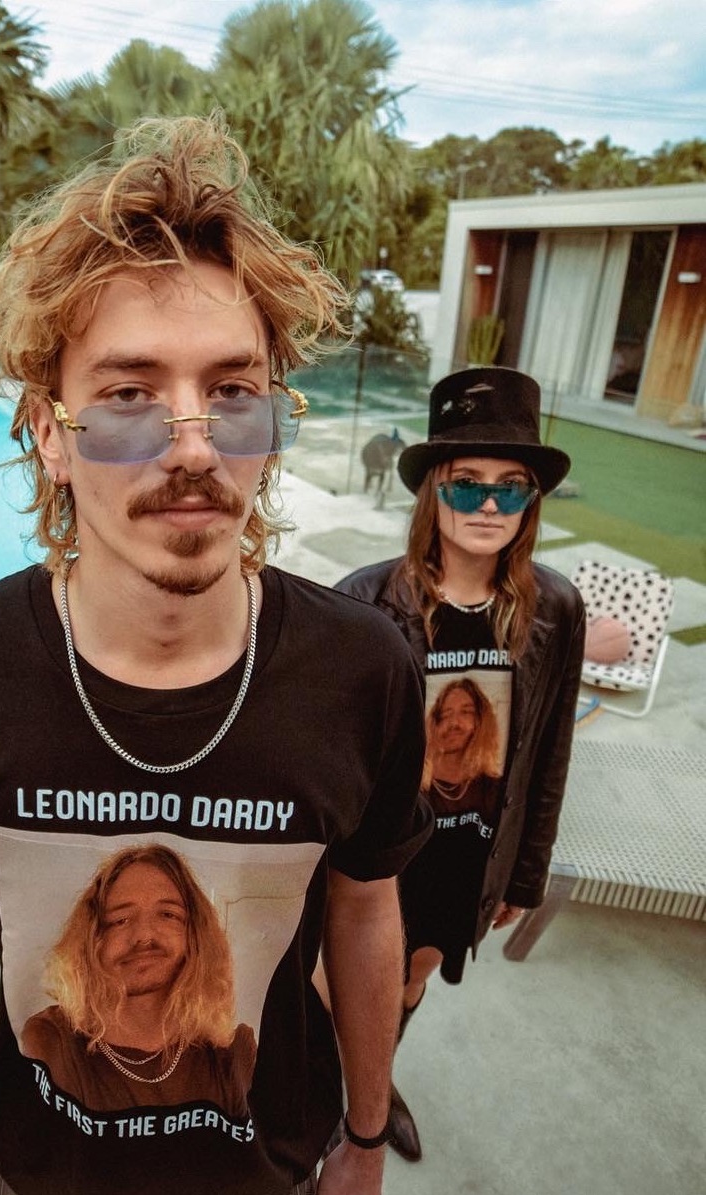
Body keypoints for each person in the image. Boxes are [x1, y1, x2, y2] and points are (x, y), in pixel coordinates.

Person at [0, 114, 432, 1195]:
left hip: (270, 1166)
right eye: (129, 395)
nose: (192, 446)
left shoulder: (363, 668)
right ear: (49, 431)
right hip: (42, 1167)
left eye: (231, 393)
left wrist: (363, 1137)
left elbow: (364, 909)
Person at [337, 365, 585, 1162]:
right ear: (431, 491)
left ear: (530, 502)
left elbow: (548, 749)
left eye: (510, 488)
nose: (487, 505)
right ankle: (328, 1100)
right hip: (376, 857)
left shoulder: (553, 608)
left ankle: (372, 1091)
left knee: (411, 974)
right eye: (467, 483)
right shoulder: (364, 601)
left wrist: (524, 872)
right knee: (337, 984)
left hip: (468, 852)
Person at [20, 844, 257, 1116]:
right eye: (120, 920)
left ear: (195, 934)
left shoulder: (232, 1052)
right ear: (92, 939)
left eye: (167, 915)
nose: (144, 936)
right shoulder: (52, 1041)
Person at [421, 678, 501, 819]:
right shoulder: (419, 786)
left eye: (465, 712)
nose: (454, 723)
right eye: (445, 714)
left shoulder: (493, 787)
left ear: (481, 721)